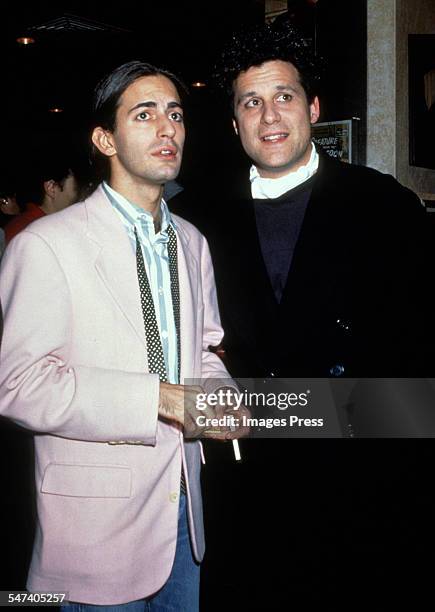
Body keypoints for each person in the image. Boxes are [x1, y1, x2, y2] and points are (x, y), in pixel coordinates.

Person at [194, 21, 434, 608]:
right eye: (252, 102)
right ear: (234, 123)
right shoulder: (197, 219)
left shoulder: (385, 207)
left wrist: (283, 410)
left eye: (285, 97)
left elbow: (418, 380)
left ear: (314, 108)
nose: (270, 116)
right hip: (244, 501)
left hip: (361, 501)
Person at [0, 60, 244, 611]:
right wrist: (157, 398)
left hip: (184, 519)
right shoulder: (45, 246)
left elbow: (203, 350)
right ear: (104, 138)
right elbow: (20, 385)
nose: (168, 129)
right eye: (145, 114)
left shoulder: (192, 241)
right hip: (91, 534)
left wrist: (223, 397)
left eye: (176, 114)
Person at [4, 155, 79, 245]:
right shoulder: (34, 234)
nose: (79, 194)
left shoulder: (19, 226)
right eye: (75, 188)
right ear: (51, 188)